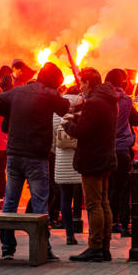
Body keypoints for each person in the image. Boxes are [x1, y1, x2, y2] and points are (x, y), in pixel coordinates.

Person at [0, 62, 70, 261]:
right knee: (40, 205)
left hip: (15, 154)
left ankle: (7, 248)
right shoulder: (49, 95)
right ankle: (42, 247)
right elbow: (65, 107)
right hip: (36, 156)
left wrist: (11, 111)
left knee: (10, 202)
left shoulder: (17, 92)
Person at [62, 68, 119, 262]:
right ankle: (105, 245)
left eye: (82, 83)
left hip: (93, 158)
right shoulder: (109, 100)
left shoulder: (94, 102)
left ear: (88, 82)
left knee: (94, 204)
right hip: (105, 156)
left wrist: (68, 125)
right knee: (103, 203)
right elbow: (95, 124)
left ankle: (95, 246)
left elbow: (83, 131)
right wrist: (79, 116)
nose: (80, 86)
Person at [107, 69, 138, 236]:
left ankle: (110, 221)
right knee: (123, 187)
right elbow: (136, 119)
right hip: (122, 148)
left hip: (105, 148)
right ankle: (124, 222)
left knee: (109, 187)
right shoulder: (126, 100)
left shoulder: (100, 99)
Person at [53, 88, 83, 244]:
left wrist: (56, 152)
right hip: (80, 160)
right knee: (84, 198)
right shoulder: (82, 113)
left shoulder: (57, 113)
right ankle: (90, 232)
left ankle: (69, 234)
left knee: (65, 198)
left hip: (61, 161)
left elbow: (52, 140)